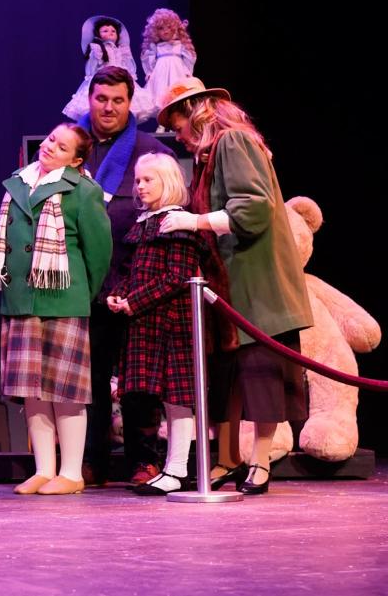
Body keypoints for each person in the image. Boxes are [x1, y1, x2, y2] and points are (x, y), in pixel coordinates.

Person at [158, 78, 313, 495]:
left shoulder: (233, 143)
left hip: (258, 288)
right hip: (231, 290)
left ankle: (260, 462)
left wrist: (196, 221)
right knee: (235, 380)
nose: (179, 138)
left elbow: (253, 209)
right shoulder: (211, 156)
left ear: (195, 114)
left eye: (178, 127)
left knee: (262, 376)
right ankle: (234, 460)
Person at [0, 123, 112, 495]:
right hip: (21, 299)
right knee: (32, 390)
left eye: (60, 147)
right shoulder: (17, 183)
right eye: (49, 140)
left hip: (63, 299)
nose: (49, 147)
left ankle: (72, 472)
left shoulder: (83, 191)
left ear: (75, 161)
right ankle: (45, 468)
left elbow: (99, 252)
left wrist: (80, 293)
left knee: (66, 390)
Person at [74, 65, 172, 486]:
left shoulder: (150, 150)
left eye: (118, 100)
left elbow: (166, 211)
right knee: (89, 380)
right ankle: (91, 458)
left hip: (137, 285)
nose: (109, 107)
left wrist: (138, 285)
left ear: (130, 103)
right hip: (84, 286)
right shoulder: (69, 148)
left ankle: (143, 460)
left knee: (139, 380)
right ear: (89, 99)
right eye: (101, 99)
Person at [107, 153, 215, 495]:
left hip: (172, 323)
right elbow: (132, 271)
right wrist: (119, 295)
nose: (140, 186)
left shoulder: (178, 223)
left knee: (177, 398)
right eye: (138, 180)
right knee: (158, 399)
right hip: (145, 323)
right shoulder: (143, 224)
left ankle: (178, 468)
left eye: (147, 180)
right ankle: (168, 467)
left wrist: (134, 301)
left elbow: (177, 276)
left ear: (167, 181)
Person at [62, 16, 150, 122]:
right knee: (102, 103)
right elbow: (92, 68)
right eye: (105, 31)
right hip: (103, 79)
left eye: (113, 31)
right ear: (98, 34)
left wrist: (130, 77)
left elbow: (129, 66)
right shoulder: (97, 49)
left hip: (120, 79)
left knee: (123, 103)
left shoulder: (122, 49)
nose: (111, 33)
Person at [139, 9, 198, 124]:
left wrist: (187, 72)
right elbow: (149, 61)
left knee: (176, 96)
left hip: (177, 72)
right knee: (161, 95)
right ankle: (162, 122)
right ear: (155, 31)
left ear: (174, 28)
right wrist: (149, 72)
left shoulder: (180, 45)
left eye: (168, 27)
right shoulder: (156, 47)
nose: (165, 31)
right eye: (161, 28)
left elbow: (189, 59)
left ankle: (176, 122)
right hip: (161, 73)